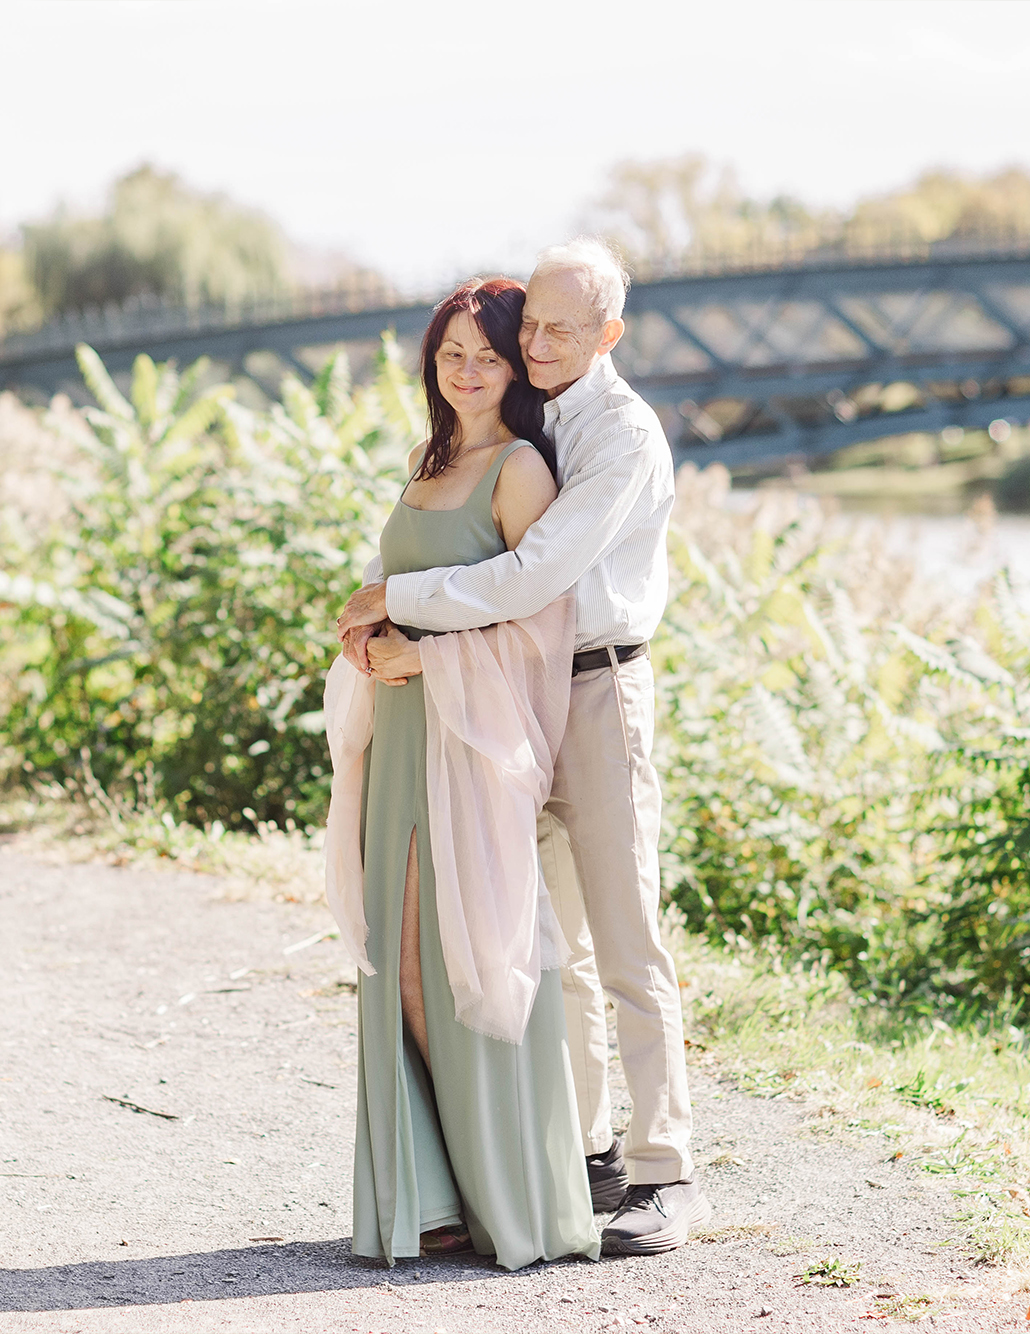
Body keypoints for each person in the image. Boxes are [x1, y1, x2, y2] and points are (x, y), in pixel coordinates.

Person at [337, 238, 709, 1256]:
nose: (535, 343)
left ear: (608, 334)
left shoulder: (624, 435)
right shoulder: (534, 412)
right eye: (529, 324)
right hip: (514, 696)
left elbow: (533, 572)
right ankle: (584, 1152)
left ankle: (665, 1171)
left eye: (559, 329)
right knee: (549, 940)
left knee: (627, 935)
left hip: (596, 689)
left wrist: (397, 602)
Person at [324, 276, 598, 1270]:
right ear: (431, 364)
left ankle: (510, 1196)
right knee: (395, 958)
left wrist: (428, 655)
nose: (469, 370)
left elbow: (537, 619)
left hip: (467, 741)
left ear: (513, 365)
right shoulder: (423, 459)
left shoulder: (519, 468)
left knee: (472, 956)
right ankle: (431, 1191)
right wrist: (371, 638)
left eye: (488, 353)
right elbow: (423, 587)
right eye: (452, 354)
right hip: (397, 733)